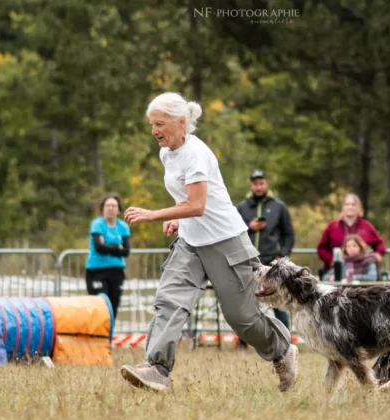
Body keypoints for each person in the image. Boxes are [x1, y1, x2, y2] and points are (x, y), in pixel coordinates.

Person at [119, 92, 297, 393]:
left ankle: (282, 350)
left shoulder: (196, 153)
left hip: (226, 241)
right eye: (152, 124)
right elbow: (186, 200)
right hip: (191, 243)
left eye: (160, 124)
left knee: (241, 317)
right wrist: (179, 218)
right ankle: (156, 369)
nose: (154, 131)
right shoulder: (166, 153)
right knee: (169, 300)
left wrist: (154, 215)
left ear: (181, 122)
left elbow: (198, 204)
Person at [236, 169, 294, 344]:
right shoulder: (242, 207)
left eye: (261, 183)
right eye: (255, 183)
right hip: (249, 260)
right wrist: (249, 226)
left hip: (272, 262)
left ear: (266, 184)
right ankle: (243, 341)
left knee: (278, 300)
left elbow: (288, 234)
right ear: (251, 185)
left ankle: (284, 338)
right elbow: (234, 232)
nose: (259, 186)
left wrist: (282, 255)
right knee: (245, 302)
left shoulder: (279, 207)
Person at [317, 193, 386, 278]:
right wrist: (331, 260)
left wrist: (377, 254)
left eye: (353, 204)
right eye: (347, 204)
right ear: (343, 207)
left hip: (361, 272)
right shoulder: (333, 226)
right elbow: (321, 248)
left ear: (359, 208)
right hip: (338, 269)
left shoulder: (366, 226)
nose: (350, 207)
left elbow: (379, 243)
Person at [85, 194, 131, 316]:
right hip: (97, 270)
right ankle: (97, 334)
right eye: (107, 205)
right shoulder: (97, 224)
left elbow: (126, 251)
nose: (110, 208)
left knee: (113, 306)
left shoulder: (123, 227)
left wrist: (108, 247)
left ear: (118, 210)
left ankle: (109, 334)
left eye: (113, 206)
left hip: (116, 270)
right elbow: (99, 247)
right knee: (100, 305)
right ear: (103, 208)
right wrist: (116, 247)